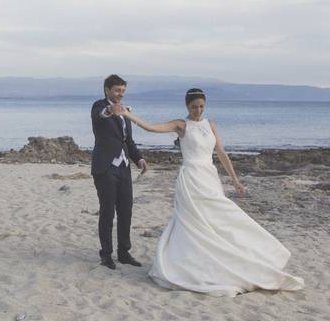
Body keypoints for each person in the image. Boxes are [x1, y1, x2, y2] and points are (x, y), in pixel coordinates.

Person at [115, 88, 304, 297]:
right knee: (192, 223)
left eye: (202, 106)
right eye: (194, 107)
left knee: (220, 218)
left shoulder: (210, 124)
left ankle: (232, 259)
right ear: (187, 106)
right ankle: (188, 266)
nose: (198, 110)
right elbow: (151, 128)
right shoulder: (181, 125)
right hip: (191, 179)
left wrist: (235, 181)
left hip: (210, 177)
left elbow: (221, 153)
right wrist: (127, 114)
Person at [91, 74, 148, 269]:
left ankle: (124, 253)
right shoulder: (98, 106)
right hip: (105, 168)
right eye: (117, 90)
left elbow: (128, 141)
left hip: (124, 169)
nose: (120, 94)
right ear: (107, 90)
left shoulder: (125, 113)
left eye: (123, 91)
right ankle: (106, 255)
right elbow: (103, 114)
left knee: (126, 211)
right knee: (107, 212)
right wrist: (111, 110)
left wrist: (139, 159)